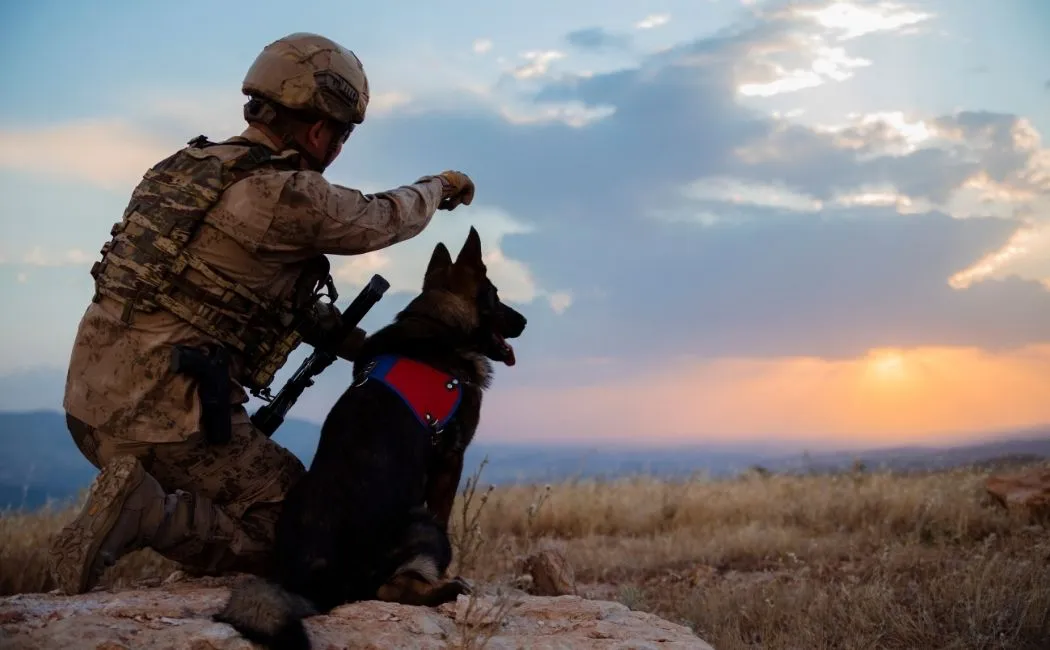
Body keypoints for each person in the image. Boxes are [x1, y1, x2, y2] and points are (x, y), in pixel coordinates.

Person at [48, 32, 476, 595]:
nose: (337, 149)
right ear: (321, 129)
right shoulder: (287, 195)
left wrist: (367, 348)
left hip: (88, 404)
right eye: (340, 136)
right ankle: (148, 512)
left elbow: (246, 298)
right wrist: (439, 186)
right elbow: (381, 218)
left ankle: (174, 525)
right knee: (302, 526)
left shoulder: (186, 168)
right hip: (162, 418)